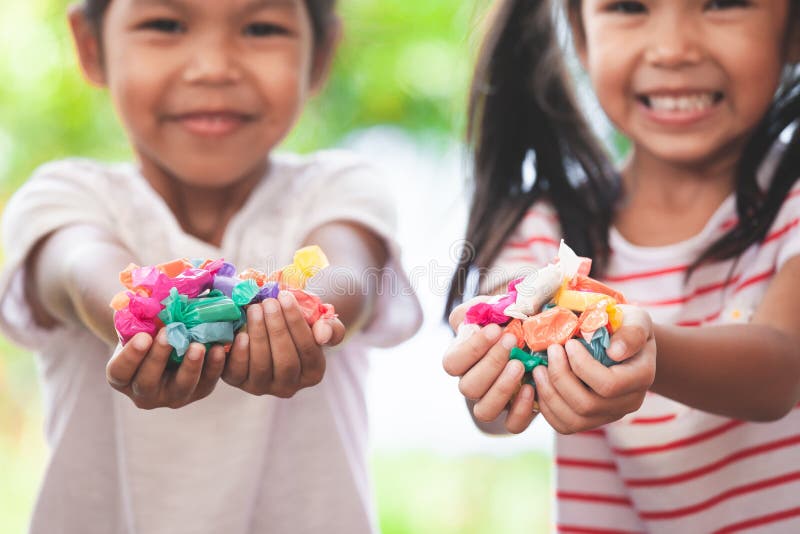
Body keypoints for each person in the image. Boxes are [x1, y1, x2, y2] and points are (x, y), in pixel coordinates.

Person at [0, 1, 421, 532]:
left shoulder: (340, 189)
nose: (214, 67)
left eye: (261, 27)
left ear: (321, 55)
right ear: (90, 46)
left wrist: (306, 314)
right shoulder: (63, 197)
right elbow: (79, 266)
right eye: (165, 24)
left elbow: (346, 276)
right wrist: (143, 321)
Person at [443, 0, 800, 531]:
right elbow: (491, 394)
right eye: (629, 6)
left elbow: (780, 371)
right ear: (581, 36)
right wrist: (495, 354)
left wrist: (644, 345)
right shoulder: (545, 229)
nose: (673, 50)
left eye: (723, 3)